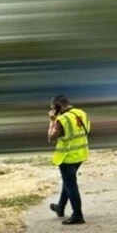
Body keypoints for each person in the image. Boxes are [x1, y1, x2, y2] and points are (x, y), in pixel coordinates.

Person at [47, 95, 90, 225]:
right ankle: (60, 207)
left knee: (71, 185)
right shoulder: (82, 113)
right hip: (81, 154)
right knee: (68, 182)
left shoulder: (62, 119)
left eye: (54, 108)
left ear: (58, 106)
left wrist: (51, 121)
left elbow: (51, 138)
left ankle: (77, 215)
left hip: (67, 157)